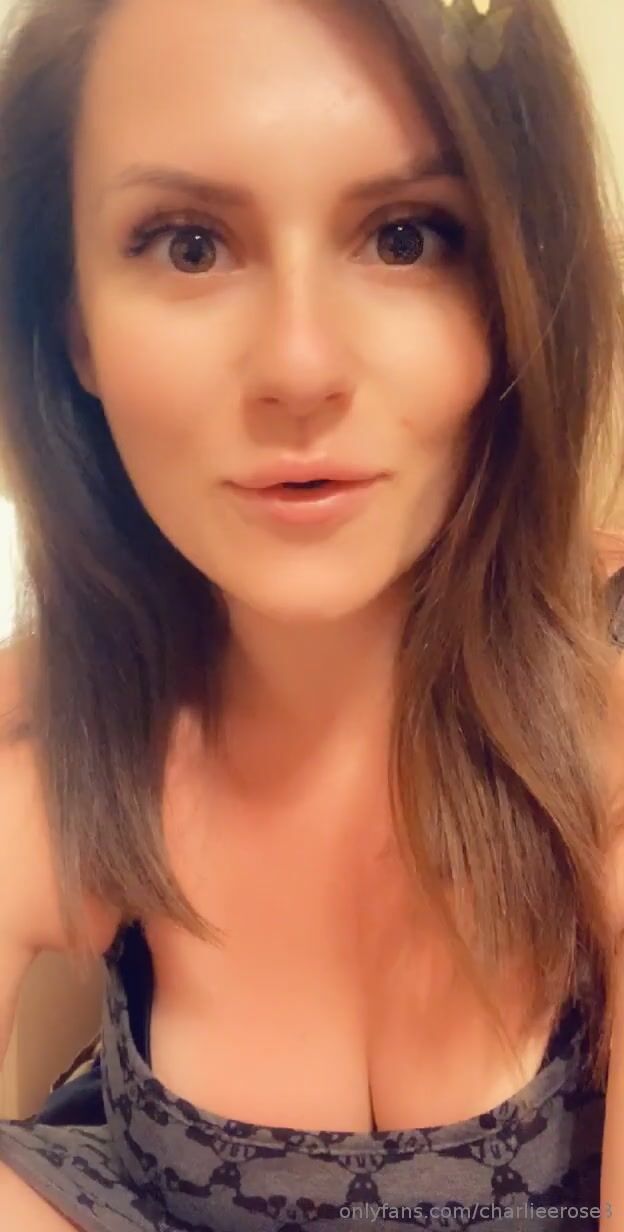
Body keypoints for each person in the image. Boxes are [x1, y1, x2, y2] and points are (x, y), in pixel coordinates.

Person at [0, 0, 623, 1228]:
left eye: (405, 236)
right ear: (74, 325)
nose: (299, 365)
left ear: (519, 289)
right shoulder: (57, 729)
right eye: (189, 246)